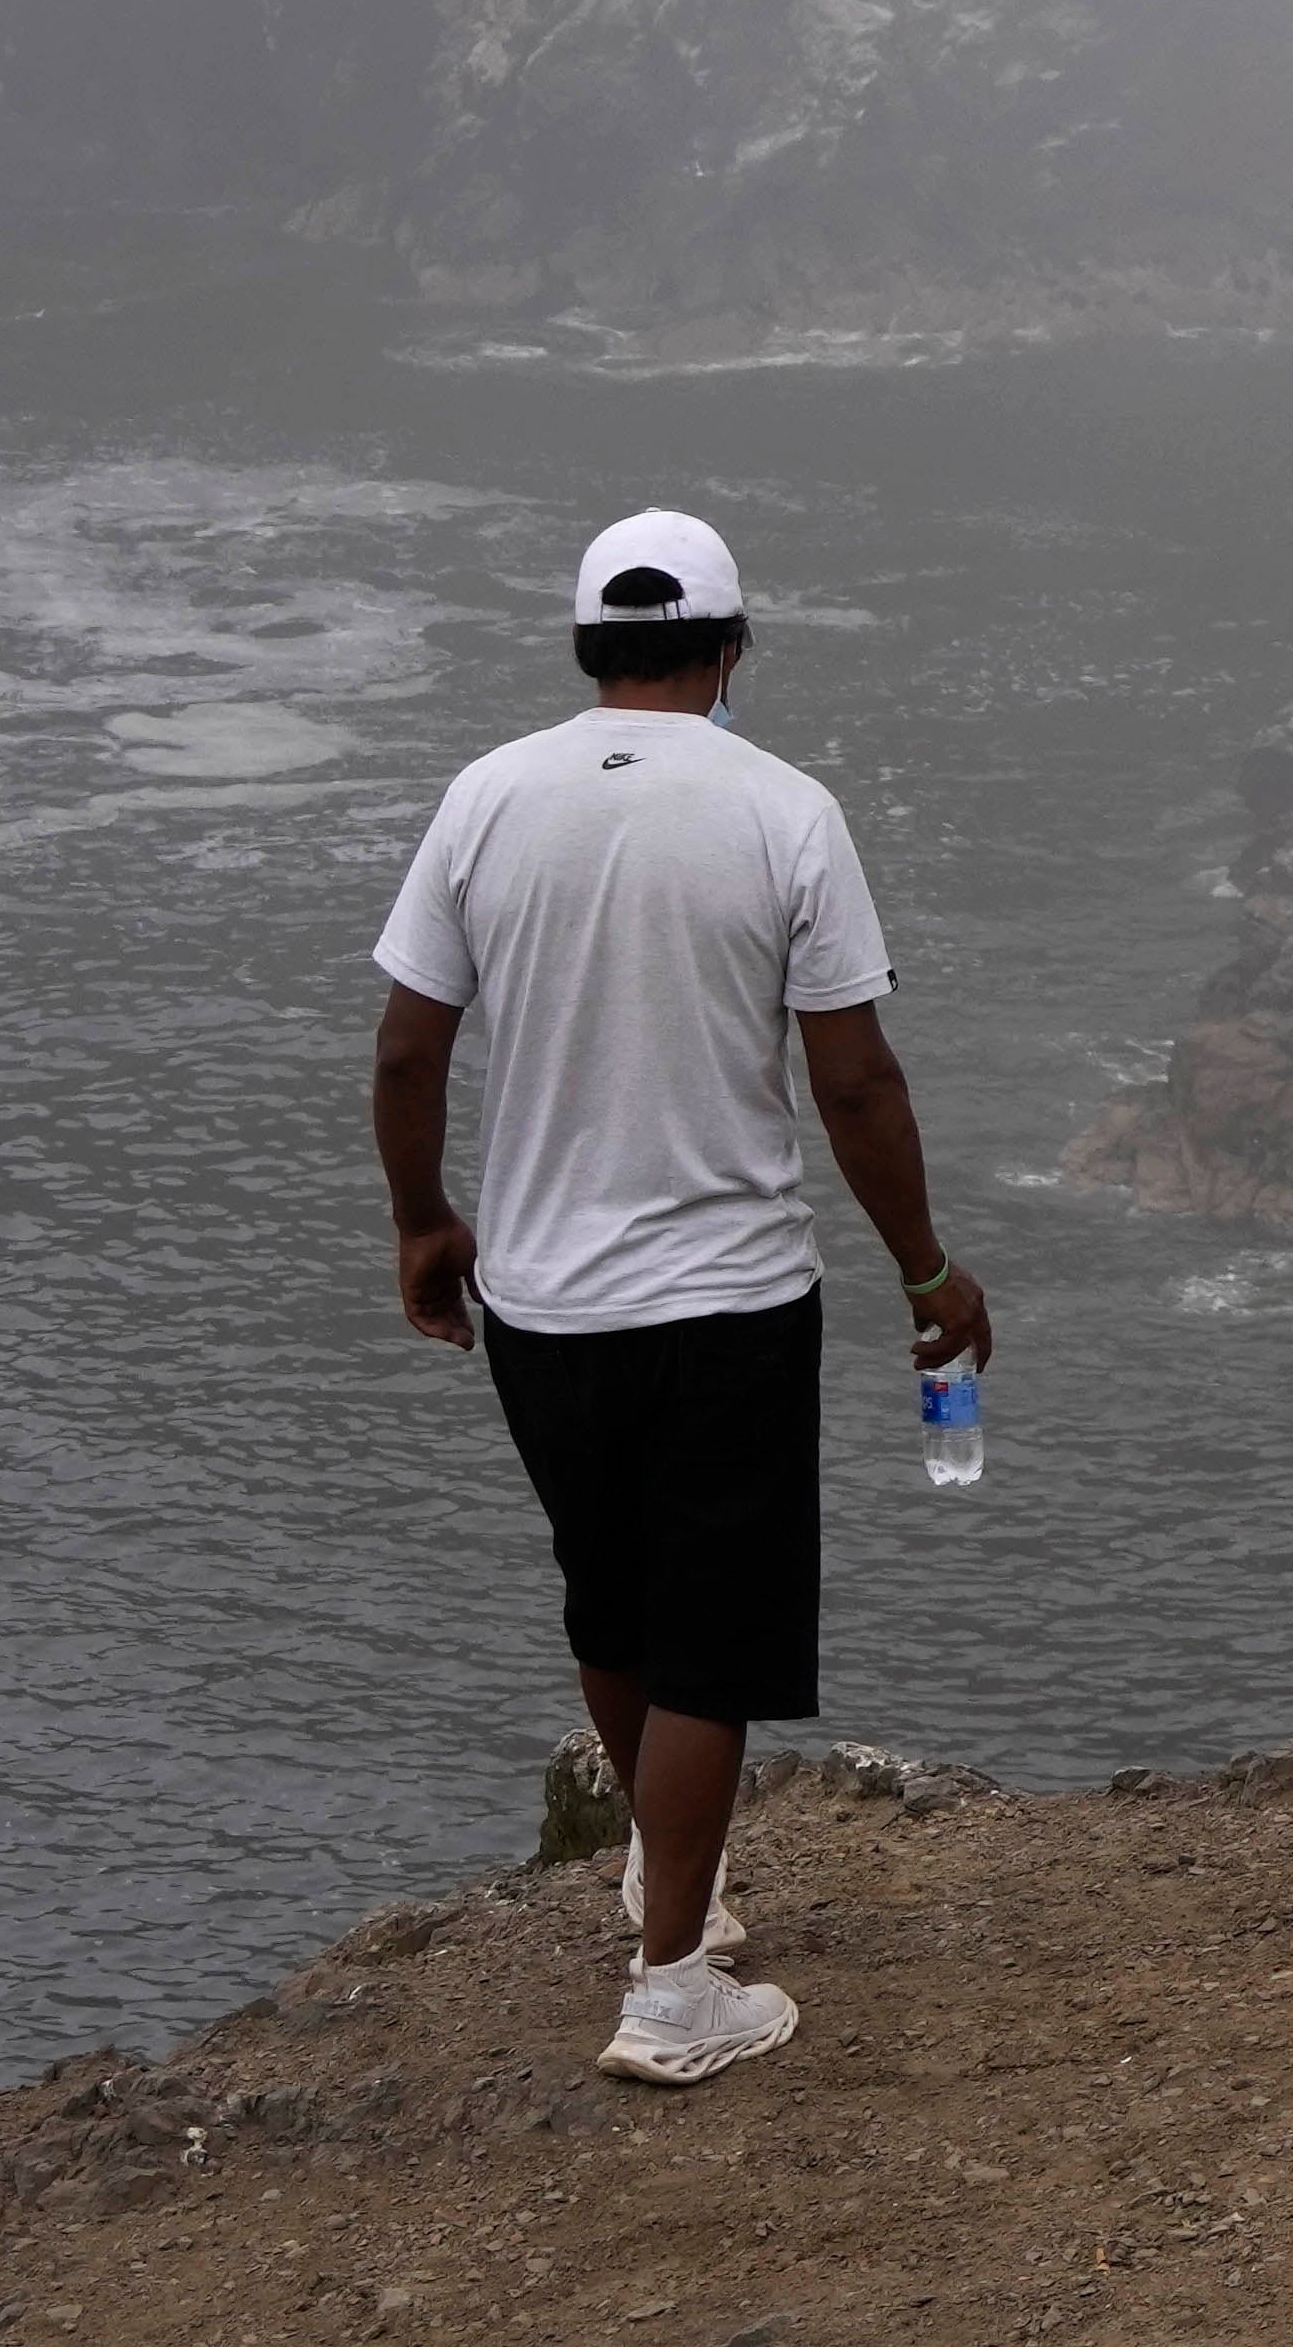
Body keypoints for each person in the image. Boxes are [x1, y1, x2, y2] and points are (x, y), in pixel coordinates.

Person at [365, 510, 989, 2089]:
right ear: (729, 649)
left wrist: (426, 1224)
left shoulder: (485, 798)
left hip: (541, 1297)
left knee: (613, 1600)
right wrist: (927, 1267)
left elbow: (405, 1049)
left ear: (588, 649)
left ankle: (665, 1868)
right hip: (725, 1298)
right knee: (713, 1639)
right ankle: (671, 1992)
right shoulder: (787, 809)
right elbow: (852, 1079)